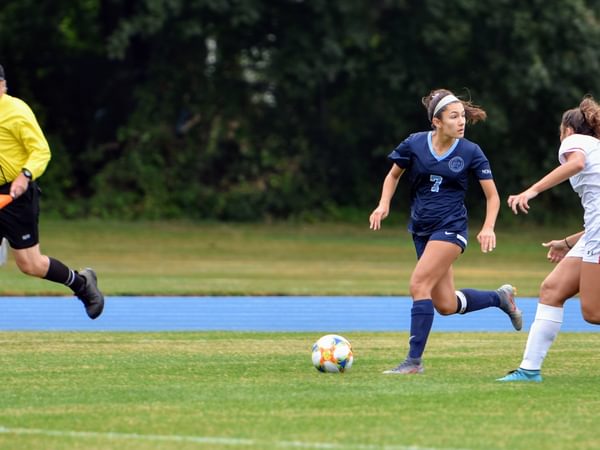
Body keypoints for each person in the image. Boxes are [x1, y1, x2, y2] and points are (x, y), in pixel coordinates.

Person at [369, 88, 522, 374]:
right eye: (454, 116)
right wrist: (383, 204)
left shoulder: (470, 151)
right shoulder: (414, 144)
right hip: (421, 230)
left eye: (463, 116)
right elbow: (392, 176)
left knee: (418, 285)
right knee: (446, 304)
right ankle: (499, 298)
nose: (461, 121)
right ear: (437, 122)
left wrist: (488, 227)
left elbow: (493, 196)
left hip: (451, 228)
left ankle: (413, 362)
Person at [497, 95, 600, 382]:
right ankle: (529, 370)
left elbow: (576, 163)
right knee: (552, 289)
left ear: (567, 130)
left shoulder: (573, 142)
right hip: (594, 233)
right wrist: (567, 243)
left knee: (593, 312)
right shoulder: (597, 147)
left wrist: (531, 190)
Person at [0, 63, 104, 319]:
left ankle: (82, 285)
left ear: (2, 85)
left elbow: (41, 151)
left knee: (30, 264)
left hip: (16, 195)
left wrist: (25, 175)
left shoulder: (16, 112)